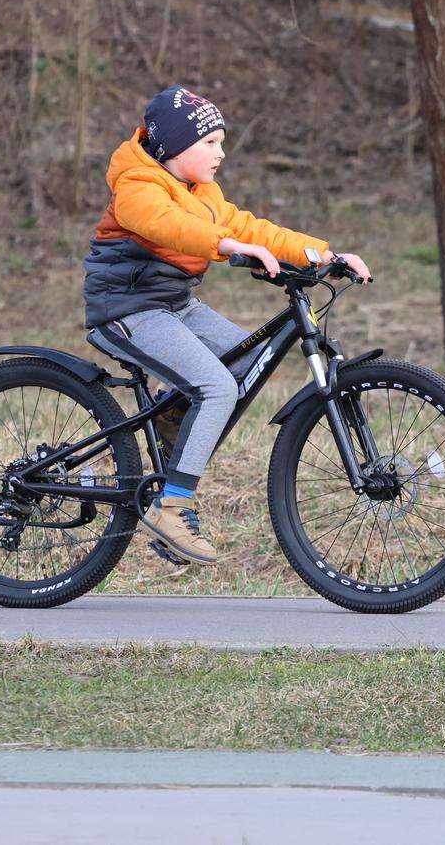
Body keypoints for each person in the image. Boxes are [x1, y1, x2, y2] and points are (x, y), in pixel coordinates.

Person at [82, 86, 370, 566]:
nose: (221, 152)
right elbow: (170, 226)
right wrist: (229, 247)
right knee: (216, 386)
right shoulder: (136, 184)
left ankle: (171, 421)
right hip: (126, 310)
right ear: (175, 147)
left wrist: (325, 254)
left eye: (221, 141)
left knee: (250, 358)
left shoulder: (204, 193)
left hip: (174, 304)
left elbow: (254, 229)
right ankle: (172, 506)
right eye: (210, 142)